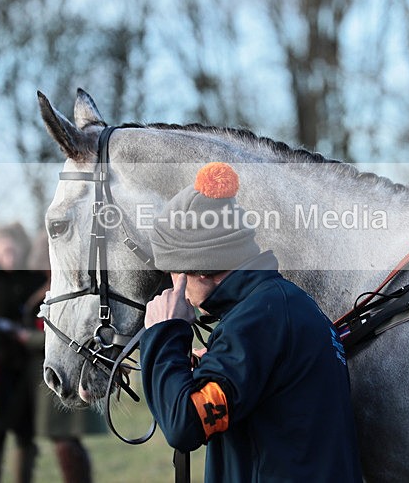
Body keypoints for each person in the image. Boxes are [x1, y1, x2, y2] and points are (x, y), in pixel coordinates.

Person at [140, 162, 363, 482]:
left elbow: (185, 424)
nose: (173, 285)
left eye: (174, 270)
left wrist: (164, 334)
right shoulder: (280, 305)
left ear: (201, 266)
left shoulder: (257, 320)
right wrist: (213, 368)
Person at [13, 231, 104, 483]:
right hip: (52, 371)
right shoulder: (49, 283)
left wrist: (27, 338)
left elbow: (62, 335)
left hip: (65, 369)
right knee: (63, 440)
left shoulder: (63, 287)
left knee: (65, 440)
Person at [0, 223, 47, 483]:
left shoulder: (32, 279)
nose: (9, 256)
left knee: (25, 432)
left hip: (27, 365)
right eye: (3, 250)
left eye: (13, 250)